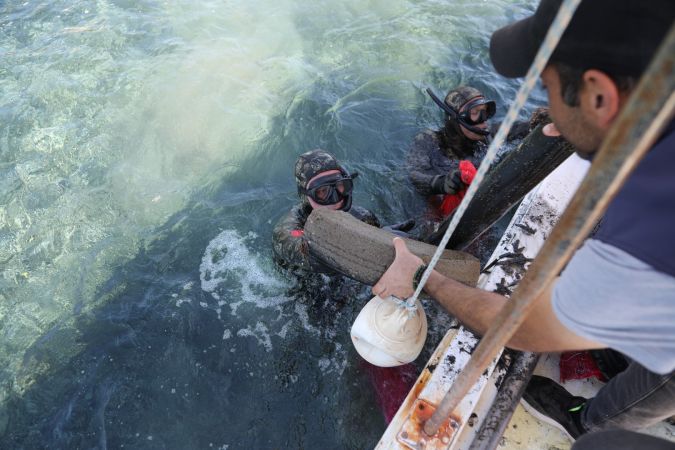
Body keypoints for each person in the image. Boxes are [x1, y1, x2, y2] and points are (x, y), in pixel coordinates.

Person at [373, 0, 675, 442]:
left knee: (608, 439)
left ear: (600, 97)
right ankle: (615, 354)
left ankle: (586, 419)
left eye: (548, 87)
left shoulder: (647, 232)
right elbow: (418, 174)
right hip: (443, 202)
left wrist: (425, 275)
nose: (483, 121)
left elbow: (521, 328)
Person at [273, 149, 414, 274]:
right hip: (308, 294)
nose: (335, 198)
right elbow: (315, 258)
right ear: (306, 195)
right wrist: (374, 245)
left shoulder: (362, 217)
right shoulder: (288, 229)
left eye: (340, 186)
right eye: (323, 192)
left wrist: (382, 238)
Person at [407, 86, 531, 222]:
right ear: (455, 118)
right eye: (475, 112)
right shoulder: (429, 140)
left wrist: (540, 120)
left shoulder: (488, 137)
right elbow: (415, 175)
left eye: (485, 112)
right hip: (435, 204)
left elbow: (518, 128)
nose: (483, 121)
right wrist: (443, 183)